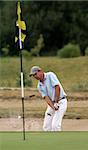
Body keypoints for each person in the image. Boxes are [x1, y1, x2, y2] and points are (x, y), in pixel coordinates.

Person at [29, 66, 67, 131]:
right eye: (33, 75)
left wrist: (56, 102)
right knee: (46, 127)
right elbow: (46, 98)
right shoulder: (39, 86)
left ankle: (57, 140)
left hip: (61, 101)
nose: (35, 76)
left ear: (40, 71)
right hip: (52, 103)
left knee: (55, 126)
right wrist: (53, 106)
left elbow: (57, 87)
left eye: (35, 74)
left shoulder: (50, 75)